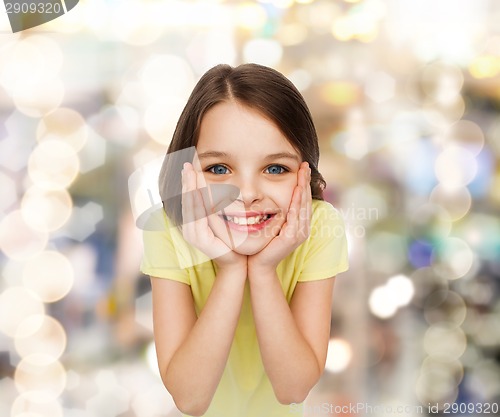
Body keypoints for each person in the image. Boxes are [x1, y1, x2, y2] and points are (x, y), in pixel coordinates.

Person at [140, 63, 349, 417]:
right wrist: (232, 269)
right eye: (219, 169)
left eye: (275, 169)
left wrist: (264, 271)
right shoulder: (168, 228)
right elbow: (190, 399)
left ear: (305, 173)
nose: (248, 194)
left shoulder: (320, 225)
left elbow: (293, 388)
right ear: (186, 172)